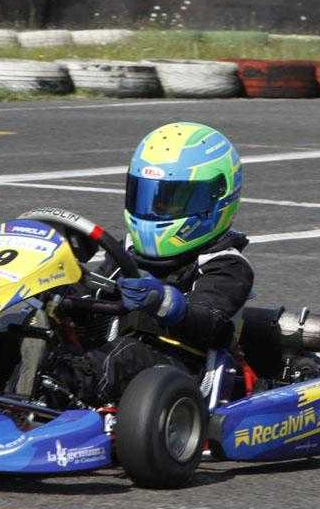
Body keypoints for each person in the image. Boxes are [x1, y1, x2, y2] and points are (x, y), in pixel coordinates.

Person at [51, 122, 252, 405]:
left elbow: (210, 323)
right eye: (147, 196)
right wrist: (62, 288)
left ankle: (54, 395)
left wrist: (165, 302)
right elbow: (95, 297)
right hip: (115, 356)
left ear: (215, 198)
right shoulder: (127, 251)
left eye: (170, 201)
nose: (155, 210)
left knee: (124, 355)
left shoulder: (226, 264)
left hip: (181, 373)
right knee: (30, 329)